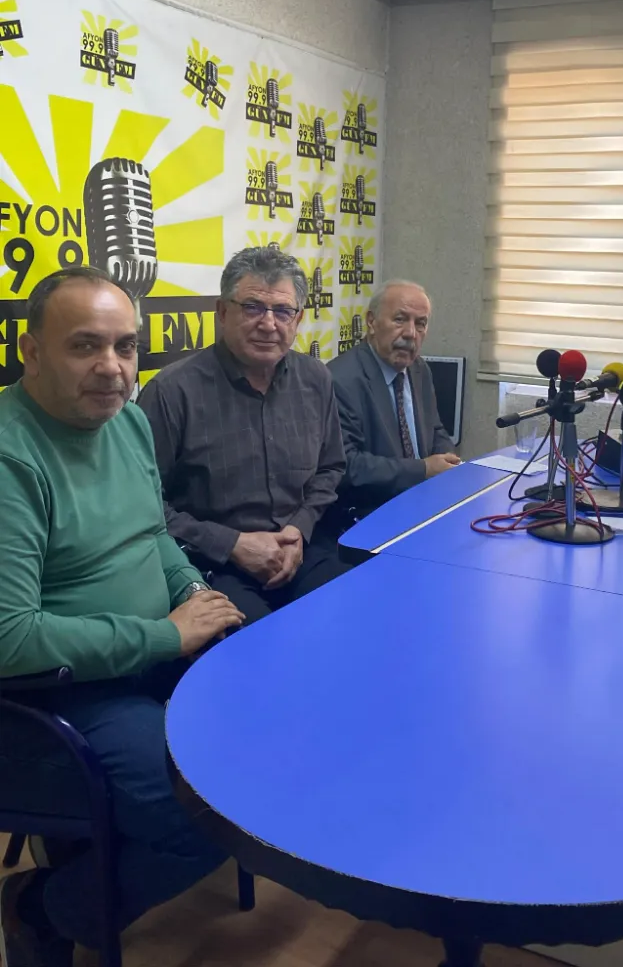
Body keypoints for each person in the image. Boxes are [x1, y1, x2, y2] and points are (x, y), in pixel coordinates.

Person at [0, 267, 244, 966]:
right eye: (85, 345)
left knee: (270, 736)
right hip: (54, 698)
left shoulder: (127, 420)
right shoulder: (11, 457)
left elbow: (152, 534)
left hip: (143, 661)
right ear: (31, 351)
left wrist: (194, 594)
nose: (113, 368)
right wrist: (165, 635)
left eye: (126, 346)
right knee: (209, 820)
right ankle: (43, 908)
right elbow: (10, 638)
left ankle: (86, 859)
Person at [137, 247, 348, 626]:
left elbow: (331, 468)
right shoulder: (172, 392)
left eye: (282, 311)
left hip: (300, 549)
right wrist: (231, 544)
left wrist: (299, 529)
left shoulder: (316, 379)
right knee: (262, 645)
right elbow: (144, 505)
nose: (268, 324)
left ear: (298, 319)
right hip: (212, 563)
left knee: (354, 613)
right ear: (222, 312)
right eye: (252, 307)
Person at [327, 280, 460, 520]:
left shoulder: (419, 369)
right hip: (369, 514)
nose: (411, 333)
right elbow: (348, 466)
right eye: (400, 320)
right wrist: (423, 470)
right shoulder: (340, 379)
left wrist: (449, 463)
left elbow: (435, 430)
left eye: (420, 324)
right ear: (371, 322)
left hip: (423, 503)